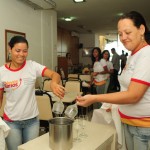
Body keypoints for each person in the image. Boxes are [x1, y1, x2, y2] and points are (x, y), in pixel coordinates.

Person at [77, 11, 150, 150]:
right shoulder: (133, 55)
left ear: (141, 29)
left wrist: (94, 98)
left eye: (127, 32)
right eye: (120, 34)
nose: (123, 38)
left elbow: (134, 95)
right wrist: (116, 105)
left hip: (143, 127)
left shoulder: (147, 54)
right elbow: (126, 89)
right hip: (129, 121)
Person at [0, 36, 65, 150]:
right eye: (18, 50)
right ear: (10, 49)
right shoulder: (2, 72)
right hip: (11, 122)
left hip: (32, 121)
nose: (21, 54)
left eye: (25, 51)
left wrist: (53, 83)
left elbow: (55, 75)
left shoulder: (32, 66)